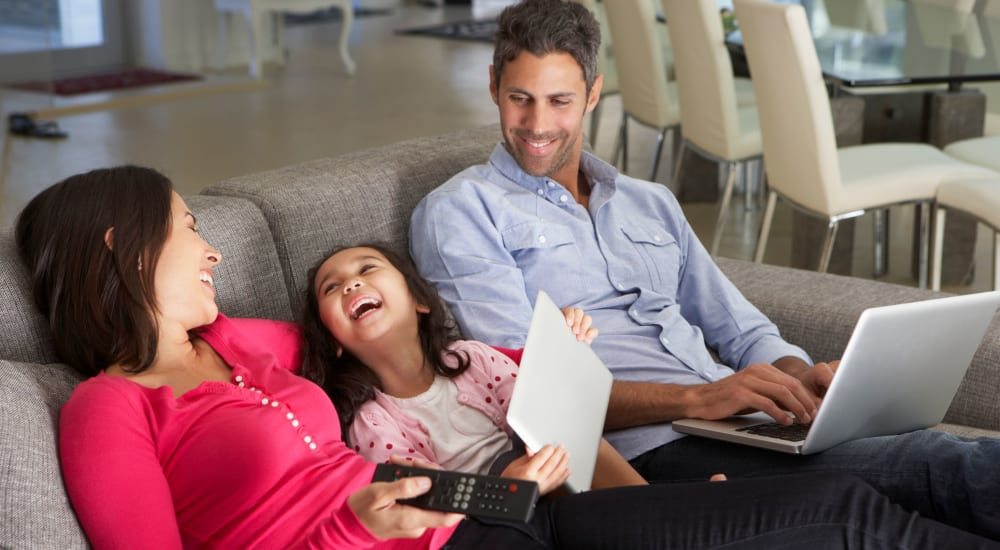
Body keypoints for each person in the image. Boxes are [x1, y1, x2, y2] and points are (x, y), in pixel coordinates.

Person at [18, 167, 995, 549]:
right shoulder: (108, 408)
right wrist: (354, 529)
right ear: (123, 244)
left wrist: (541, 364)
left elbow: (393, 338)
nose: (218, 251)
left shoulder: (240, 345)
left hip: (469, 504)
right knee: (840, 516)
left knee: (854, 503)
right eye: (193, 230)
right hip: (402, 534)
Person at [407, 0, 1000, 540]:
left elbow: (741, 330)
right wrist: (700, 397)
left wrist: (803, 380)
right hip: (647, 452)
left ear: (592, 94)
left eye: (559, 100)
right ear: (492, 86)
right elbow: (527, 391)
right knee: (937, 464)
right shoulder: (461, 212)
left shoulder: (649, 200)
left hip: (737, 423)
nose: (537, 124)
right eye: (520, 98)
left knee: (938, 461)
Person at [299, 243, 648, 493]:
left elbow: (539, 412)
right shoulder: (370, 420)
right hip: (491, 511)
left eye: (367, 268)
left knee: (570, 440)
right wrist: (509, 488)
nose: (351, 284)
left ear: (419, 301)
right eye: (332, 287)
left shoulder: (473, 358)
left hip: (543, 463)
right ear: (334, 341)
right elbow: (426, 497)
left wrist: (561, 351)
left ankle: (652, 504)